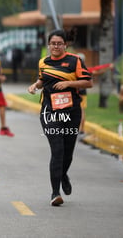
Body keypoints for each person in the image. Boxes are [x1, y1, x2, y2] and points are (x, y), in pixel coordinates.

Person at [28, 29, 92, 206]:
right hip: (50, 111)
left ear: (65, 45)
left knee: (68, 152)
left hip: (71, 112)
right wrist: (35, 85)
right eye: (53, 43)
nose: (55, 46)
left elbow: (88, 82)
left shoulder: (75, 61)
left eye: (59, 43)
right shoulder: (44, 62)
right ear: (48, 45)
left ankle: (63, 174)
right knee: (57, 150)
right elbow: (43, 79)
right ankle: (55, 193)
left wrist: (69, 83)